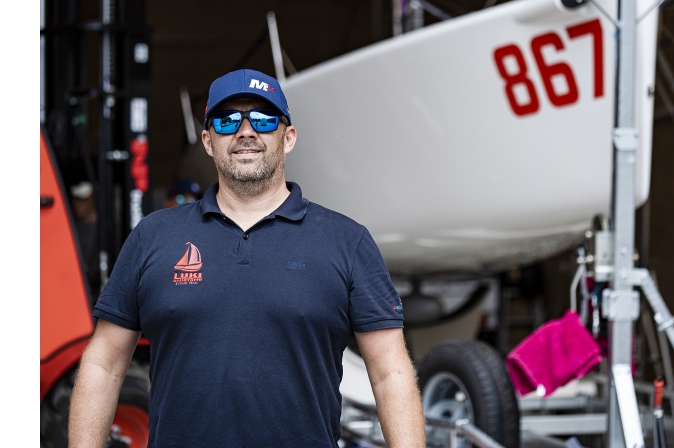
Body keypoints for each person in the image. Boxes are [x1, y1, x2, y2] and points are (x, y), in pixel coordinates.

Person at [68, 69, 426, 447]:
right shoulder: (153, 237)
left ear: (287, 138)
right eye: (227, 121)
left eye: (263, 119)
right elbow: (103, 364)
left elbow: (389, 372)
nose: (245, 131)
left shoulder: (346, 241)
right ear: (208, 141)